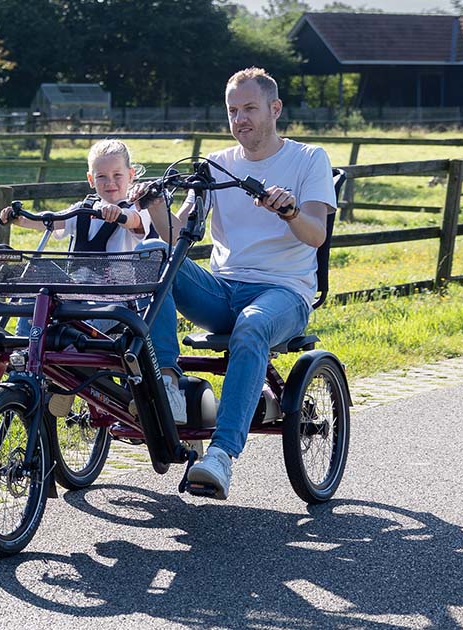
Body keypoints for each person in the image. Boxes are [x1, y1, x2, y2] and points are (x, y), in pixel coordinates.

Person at [134, 67, 337, 500]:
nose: (239, 118)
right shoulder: (215, 165)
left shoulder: (308, 159)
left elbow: (316, 234)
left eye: (249, 108)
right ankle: (167, 383)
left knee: (251, 325)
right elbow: (177, 235)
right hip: (221, 290)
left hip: (284, 292)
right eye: (232, 110)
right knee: (148, 256)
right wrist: (153, 206)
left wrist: (289, 212)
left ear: (275, 109)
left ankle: (220, 456)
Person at [0, 139, 186, 421]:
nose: (110, 183)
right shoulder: (83, 209)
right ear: (90, 179)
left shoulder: (140, 209)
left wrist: (120, 215)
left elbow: (136, 223)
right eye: (101, 177)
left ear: (131, 175)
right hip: (79, 297)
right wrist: (21, 219)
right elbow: (53, 220)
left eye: (117, 176)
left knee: (81, 330)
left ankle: (68, 382)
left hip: (119, 302)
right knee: (36, 282)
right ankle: (23, 362)